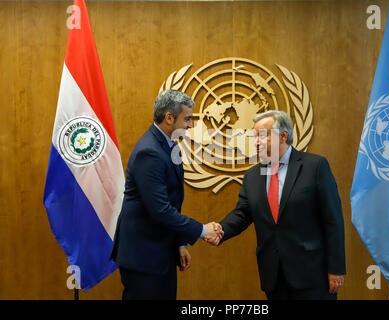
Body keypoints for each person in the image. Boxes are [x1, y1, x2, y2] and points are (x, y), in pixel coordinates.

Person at [206, 110, 346, 300]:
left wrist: (336, 268)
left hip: (312, 275)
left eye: (262, 136)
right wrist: (221, 229)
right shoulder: (253, 176)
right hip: (274, 276)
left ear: (283, 136)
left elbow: (333, 221)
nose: (256, 142)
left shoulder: (315, 167)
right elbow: (243, 214)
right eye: (255, 137)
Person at [110, 90, 223, 300]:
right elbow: (160, 210)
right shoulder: (149, 152)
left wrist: (180, 243)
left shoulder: (170, 146)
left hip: (160, 252)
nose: (191, 125)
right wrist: (202, 230)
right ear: (169, 118)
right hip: (143, 256)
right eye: (187, 119)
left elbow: (173, 201)